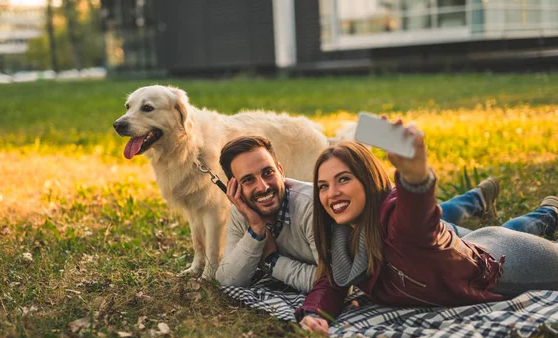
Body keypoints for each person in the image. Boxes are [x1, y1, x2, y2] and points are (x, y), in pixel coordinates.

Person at [298, 119, 558, 334]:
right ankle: (547, 210)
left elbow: (416, 213)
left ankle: (549, 212)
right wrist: (315, 314)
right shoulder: (342, 236)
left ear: (367, 180)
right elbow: (331, 283)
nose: (332, 193)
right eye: (323, 186)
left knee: (510, 236)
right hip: (479, 243)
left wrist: (415, 176)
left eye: (343, 179)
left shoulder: (393, 220)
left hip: (507, 268)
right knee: (504, 230)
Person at [215, 135, 502, 294]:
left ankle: (543, 214)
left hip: (391, 229)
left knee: (484, 241)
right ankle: (475, 199)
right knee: (440, 219)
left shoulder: (311, 206)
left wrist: (272, 260)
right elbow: (228, 279)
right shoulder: (245, 211)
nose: (263, 187)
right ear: (234, 187)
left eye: (267, 173)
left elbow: (331, 280)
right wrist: (255, 232)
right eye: (249, 180)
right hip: (394, 227)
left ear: (280, 169)